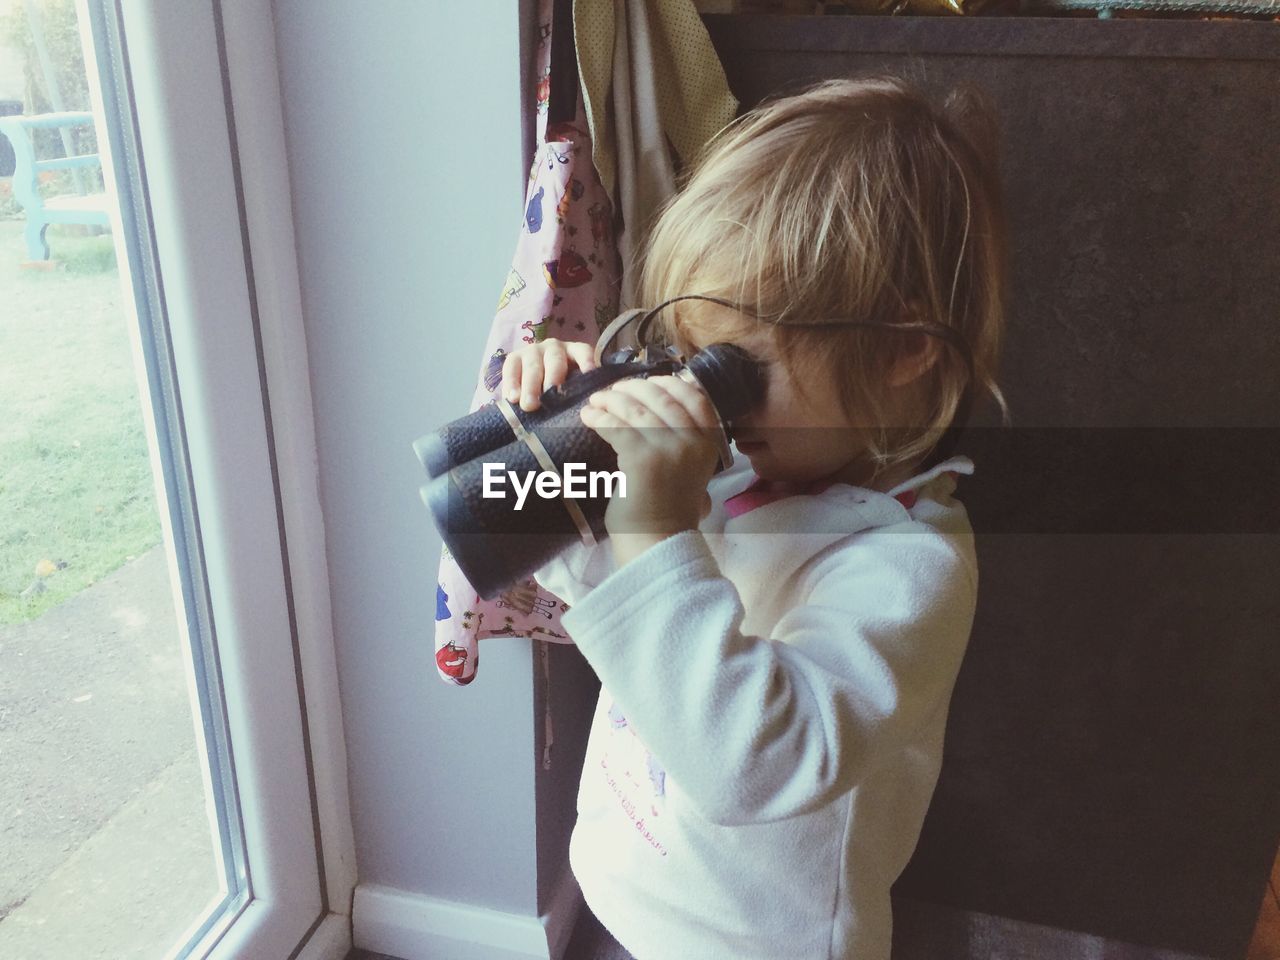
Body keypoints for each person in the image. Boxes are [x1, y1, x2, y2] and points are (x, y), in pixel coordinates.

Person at [499, 73, 1011, 960]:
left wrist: (655, 530)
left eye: (738, 370)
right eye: (692, 358)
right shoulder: (732, 476)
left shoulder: (907, 569)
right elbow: (594, 597)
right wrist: (557, 458)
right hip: (625, 896)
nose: (711, 406)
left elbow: (753, 764)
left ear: (901, 352)